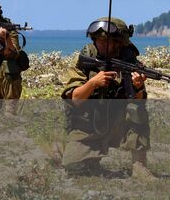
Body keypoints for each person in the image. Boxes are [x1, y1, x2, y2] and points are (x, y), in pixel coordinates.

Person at [61, 17, 153, 179]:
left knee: (136, 109)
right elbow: (75, 99)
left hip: (117, 123)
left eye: (106, 41)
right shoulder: (86, 59)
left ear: (119, 42)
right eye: (98, 40)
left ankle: (139, 166)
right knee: (74, 167)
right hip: (88, 125)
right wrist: (93, 83)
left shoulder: (129, 63)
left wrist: (137, 87)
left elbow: (139, 100)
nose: (100, 44)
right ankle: (83, 157)